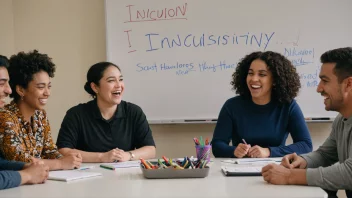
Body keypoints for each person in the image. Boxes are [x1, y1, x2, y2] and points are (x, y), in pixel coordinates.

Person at [262, 47, 352, 197]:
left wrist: (289, 176)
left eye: (325, 80)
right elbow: (325, 155)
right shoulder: (341, 119)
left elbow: (349, 173)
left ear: (349, 84)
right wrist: (302, 161)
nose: (319, 88)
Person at [212, 51, 313, 158]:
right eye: (250, 73)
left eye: (262, 74)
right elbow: (217, 146)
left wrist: (269, 152)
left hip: (277, 169)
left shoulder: (288, 106)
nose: (253, 79)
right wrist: (234, 151)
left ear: (275, 80)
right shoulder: (231, 106)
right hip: (239, 168)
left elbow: (305, 145)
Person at [56, 62, 156, 162]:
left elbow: (151, 149)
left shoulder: (134, 112)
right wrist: (101, 157)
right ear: (95, 87)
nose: (119, 85)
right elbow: (63, 150)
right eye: (111, 81)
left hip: (124, 175)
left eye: (120, 79)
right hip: (87, 175)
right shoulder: (76, 114)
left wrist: (128, 155)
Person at [0, 50, 82, 170]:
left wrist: (70, 159)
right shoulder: (4, 116)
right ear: (21, 90)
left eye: (49, 86)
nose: (47, 93)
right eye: (40, 87)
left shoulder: (40, 115)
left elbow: (49, 150)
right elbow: (18, 159)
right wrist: (61, 163)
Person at [0, 55, 49, 190]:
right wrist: (26, 175)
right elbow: (17, 156)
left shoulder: (40, 115)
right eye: (1, 83)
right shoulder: (4, 115)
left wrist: (24, 167)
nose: (8, 90)